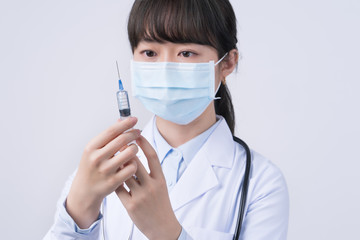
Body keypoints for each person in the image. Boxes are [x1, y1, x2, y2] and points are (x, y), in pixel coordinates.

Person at [44, 0, 289, 239]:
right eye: (150, 52)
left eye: (186, 53)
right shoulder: (101, 168)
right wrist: (78, 212)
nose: (166, 68)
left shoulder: (261, 183)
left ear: (227, 63)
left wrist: (168, 234)